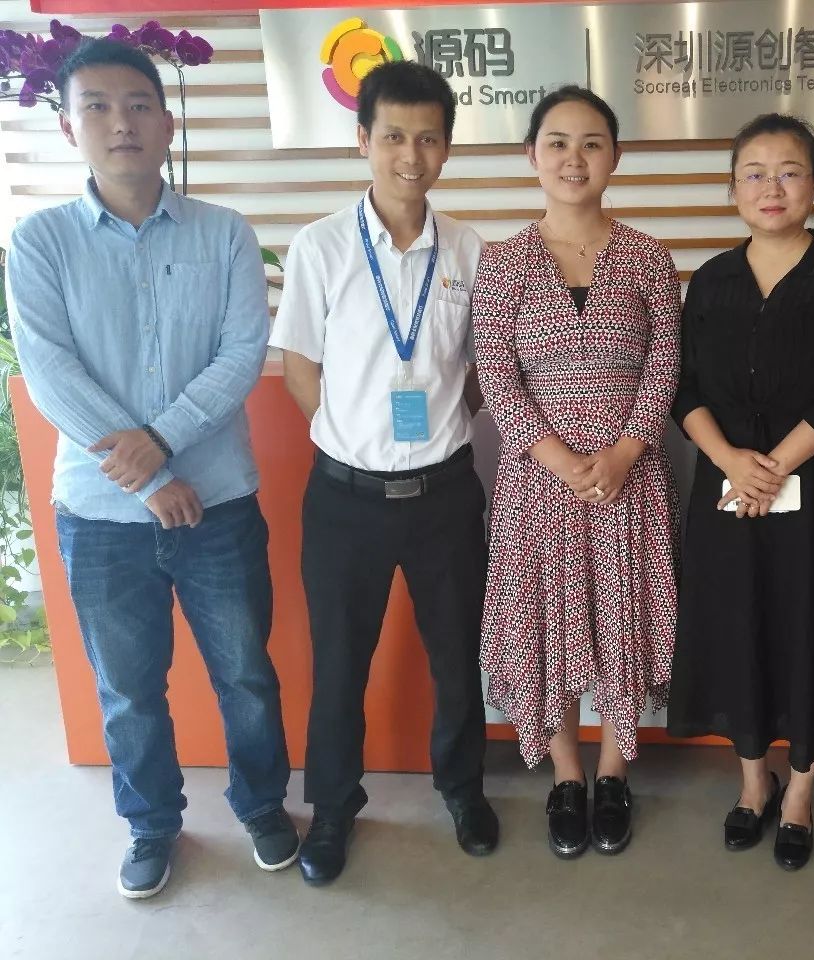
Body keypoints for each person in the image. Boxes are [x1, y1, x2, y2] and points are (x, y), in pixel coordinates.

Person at [7, 38, 294, 899]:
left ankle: (262, 806)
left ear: (167, 123)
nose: (120, 123)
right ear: (69, 127)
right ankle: (151, 825)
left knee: (245, 674)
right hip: (100, 517)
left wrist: (161, 442)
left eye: (137, 105)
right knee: (128, 689)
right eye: (96, 106)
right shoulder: (40, 242)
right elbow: (50, 373)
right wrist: (146, 475)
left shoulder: (225, 233)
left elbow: (241, 353)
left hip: (219, 503)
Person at [269, 60, 497, 884]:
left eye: (428, 138)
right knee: (339, 666)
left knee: (456, 658)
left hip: (444, 493)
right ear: (362, 139)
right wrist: (348, 439)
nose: (411, 155)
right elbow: (300, 365)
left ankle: (463, 790)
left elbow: (479, 369)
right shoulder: (322, 245)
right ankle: (334, 809)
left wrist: (435, 428)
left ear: (447, 148)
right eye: (394, 136)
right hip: (346, 499)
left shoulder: (470, 250)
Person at [666, 114, 814, 871]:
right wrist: (732, 461)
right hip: (724, 489)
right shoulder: (710, 281)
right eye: (754, 173)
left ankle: (799, 792)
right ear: (732, 189)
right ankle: (752, 782)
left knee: (809, 626)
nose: (772, 187)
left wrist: (773, 466)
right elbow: (684, 388)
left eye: (789, 171)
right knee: (739, 626)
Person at [471, 86, 681, 859]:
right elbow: (498, 379)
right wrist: (561, 461)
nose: (573, 158)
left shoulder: (649, 257)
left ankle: (614, 772)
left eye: (592, 143)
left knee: (620, 624)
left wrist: (624, 452)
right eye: (557, 142)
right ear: (532, 155)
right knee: (547, 630)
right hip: (538, 484)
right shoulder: (503, 263)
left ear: (615, 157)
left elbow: (665, 366)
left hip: (630, 480)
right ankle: (566, 776)